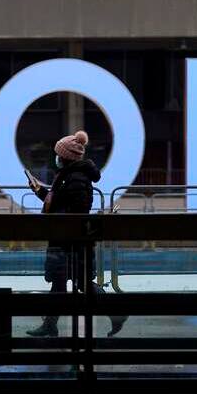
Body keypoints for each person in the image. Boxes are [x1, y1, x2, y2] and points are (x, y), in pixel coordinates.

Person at [25, 130, 126, 338]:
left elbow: (76, 211)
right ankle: (50, 325)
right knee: (61, 283)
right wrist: (39, 191)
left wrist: (59, 220)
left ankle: (115, 312)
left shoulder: (76, 178)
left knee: (79, 283)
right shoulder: (69, 176)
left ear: (65, 157)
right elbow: (62, 203)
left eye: (58, 154)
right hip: (67, 240)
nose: (56, 158)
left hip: (71, 241)